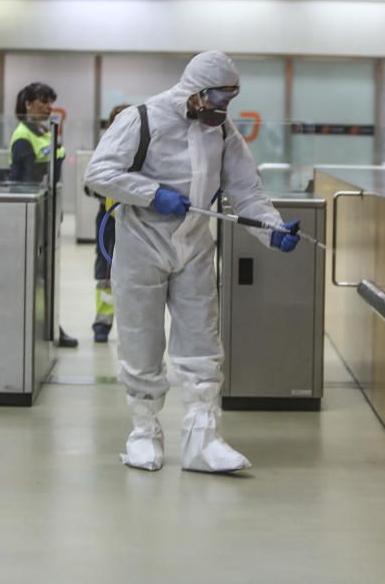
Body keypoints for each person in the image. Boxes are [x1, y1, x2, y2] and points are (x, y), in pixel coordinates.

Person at [84, 51, 300, 473]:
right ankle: (144, 434)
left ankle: (203, 441)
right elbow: (99, 172)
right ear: (195, 91)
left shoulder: (222, 132)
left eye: (231, 98)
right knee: (141, 340)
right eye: (219, 97)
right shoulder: (141, 118)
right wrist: (151, 193)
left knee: (203, 343)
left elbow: (246, 190)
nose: (224, 107)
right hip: (141, 243)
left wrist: (270, 229)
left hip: (195, 245)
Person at [9, 82, 78, 349]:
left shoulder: (46, 131)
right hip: (34, 212)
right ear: (27, 104)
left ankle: (49, 324)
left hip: (50, 209)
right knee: (34, 273)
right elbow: (21, 181)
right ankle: (36, 326)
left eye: (50, 102)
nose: (48, 107)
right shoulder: (23, 136)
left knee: (48, 272)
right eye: (42, 102)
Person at [90, 104, 130, 344]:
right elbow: (91, 183)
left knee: (136, 274)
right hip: (108, 220)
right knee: (106, 272)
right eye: (115, 121)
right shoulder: (103, 150)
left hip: (136, 221)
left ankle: (132, 327)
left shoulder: (145, 150)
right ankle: (102, 323)